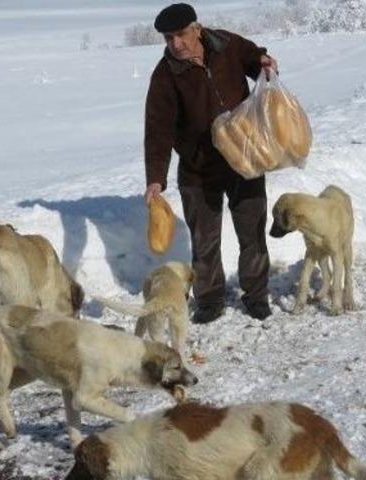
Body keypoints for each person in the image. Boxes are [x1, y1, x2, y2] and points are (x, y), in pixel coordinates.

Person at [143, 3, 277, 323]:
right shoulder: (165, 76)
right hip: (198, 168)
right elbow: (158, 129)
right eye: (168, 38)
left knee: (253, 232)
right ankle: (209, 299)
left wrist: (263, 61)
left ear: (197, 28)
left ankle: (256, 295)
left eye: (181, 34)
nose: (176, 44)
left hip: (244, 158)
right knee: (204, 241)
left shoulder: (225, 44)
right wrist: (155, 178)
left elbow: (252, 57)